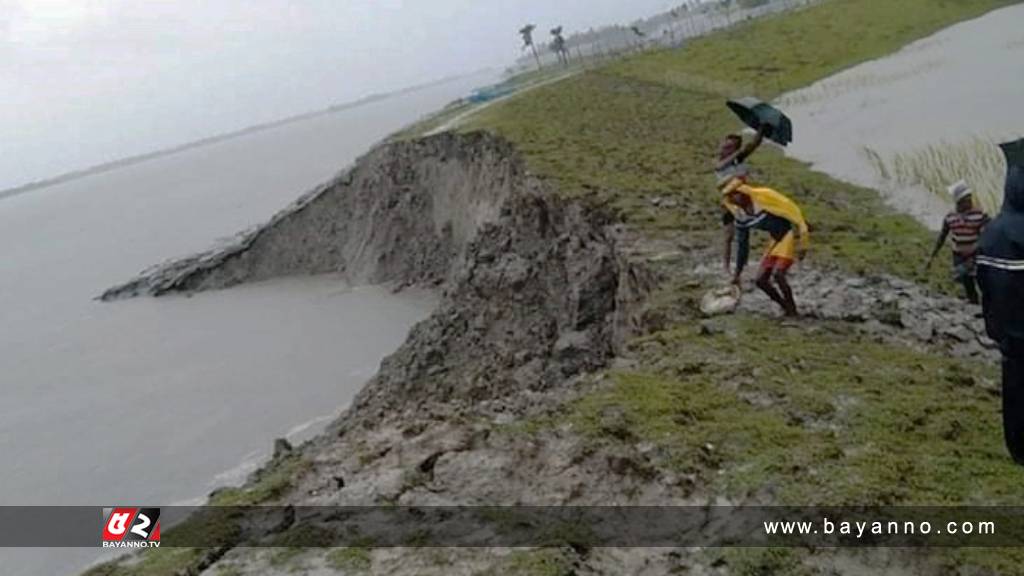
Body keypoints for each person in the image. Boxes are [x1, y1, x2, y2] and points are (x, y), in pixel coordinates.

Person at [977, 137, 1024, 464]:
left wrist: (995, 328)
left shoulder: (993, 231)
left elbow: (986, 287)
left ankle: (1018, 450)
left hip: (1008, 335)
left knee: (1015, 393)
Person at [720, 176, 809, 317]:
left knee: (779, 275)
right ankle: (785, 306)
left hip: (789, 234)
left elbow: (789, 207)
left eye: (736, 194)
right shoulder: (741, 216)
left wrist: (803, 238)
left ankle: (792, 310)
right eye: (731, 197)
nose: (735, 199)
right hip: (775, 240)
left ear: (743, 192)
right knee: (760, 280)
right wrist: (737, 273)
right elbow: (743, 245)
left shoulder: (763, 197)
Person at [925, 180, 990, 304]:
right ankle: (973, 301)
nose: (970, 201)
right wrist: (932, 256)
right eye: (967, 199)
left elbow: (986, 237)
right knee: (965, 279)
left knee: (982, 279)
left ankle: (986, 303)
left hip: (975, 253)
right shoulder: (950, 217)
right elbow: (942, 237)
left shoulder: (979, 214)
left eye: (971, 198)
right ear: (959, 202)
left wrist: (976, 257)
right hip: (959, 255)